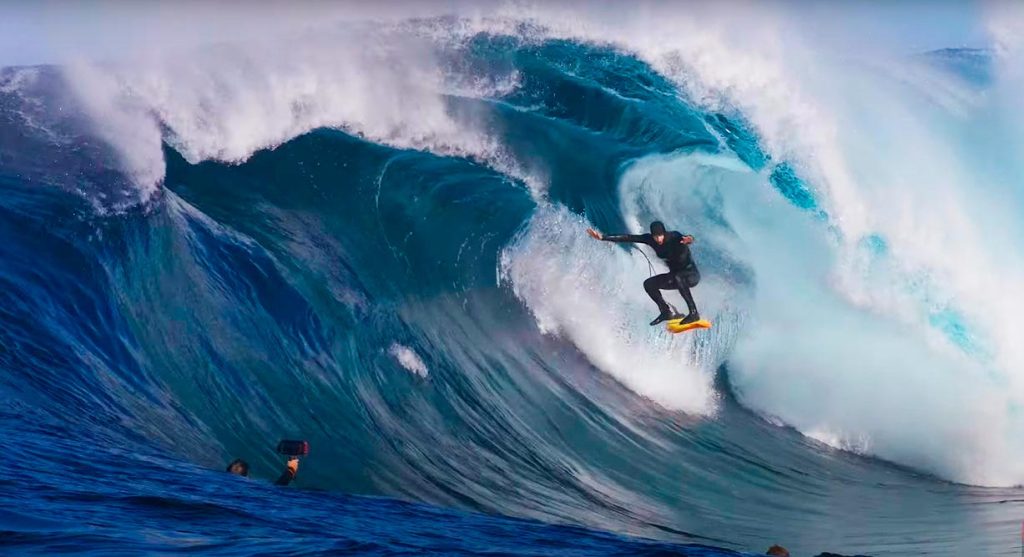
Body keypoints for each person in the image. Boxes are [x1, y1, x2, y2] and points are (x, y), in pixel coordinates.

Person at [587, 220, 701, 325]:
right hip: (675, 276)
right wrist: (603, 237)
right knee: (649, 284)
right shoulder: (650, 239)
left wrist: (690, 239)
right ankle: (666, 311)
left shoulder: (674, 236)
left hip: (691, 275)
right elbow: (628, 237)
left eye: (660, 235)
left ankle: (694, 313)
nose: (658, 239)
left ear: (664, 233)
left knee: (677, 276)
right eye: (656, 236)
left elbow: (687, 237)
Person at [225, 456, 299, 486]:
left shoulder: (225, 483)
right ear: (247, 475)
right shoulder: (250, 487)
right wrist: (291, 470)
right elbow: (278, 488)